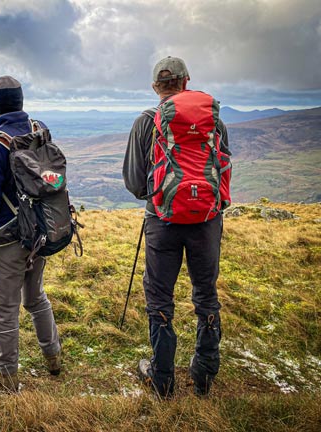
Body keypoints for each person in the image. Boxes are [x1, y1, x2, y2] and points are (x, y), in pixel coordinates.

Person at [123, 57, 231, 398]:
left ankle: (162, 378)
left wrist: (157, 196)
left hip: (161, 220)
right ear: (186, 82)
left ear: (156, 86)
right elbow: (224, 167)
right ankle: (203, 375)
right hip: (206, 222)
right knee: (206, 294)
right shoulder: (213, 120)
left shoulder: (146, 122)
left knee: (159, 297)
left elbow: (134, 180)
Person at [0, 76, 62, 392]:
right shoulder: (38, 129)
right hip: (41, 230)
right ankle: (53, 356)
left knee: (6, 307)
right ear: (21, 101)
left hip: (8, 236)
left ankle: (8, 374)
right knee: (35, 295)